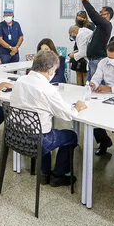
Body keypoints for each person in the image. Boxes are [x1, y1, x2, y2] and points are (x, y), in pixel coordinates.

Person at [10, 50, 87, 186]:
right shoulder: (47, 88)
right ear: (51, 69)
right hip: (38, 140)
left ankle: (43, 173)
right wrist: (77, 107)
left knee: (42, 127)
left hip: (15, 135)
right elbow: (67, 115)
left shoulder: (20, 81)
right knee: (70, 136)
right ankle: (58, 174)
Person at [72, 0, 113, 81]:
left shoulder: (106, 25)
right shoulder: (101, 26)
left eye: (101, 13)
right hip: (93, 60)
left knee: (96, 86)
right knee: (90, 86)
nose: (99, 14)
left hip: (98, 60)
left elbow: (93, 14)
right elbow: (93, 13)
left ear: (107, 15)